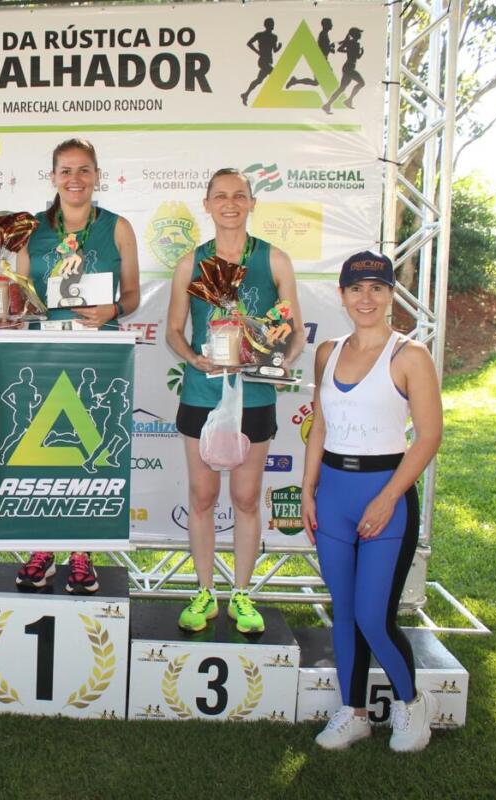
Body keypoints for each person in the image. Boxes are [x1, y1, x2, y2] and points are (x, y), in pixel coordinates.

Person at [301, 251, 443, 751]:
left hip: (386, 494)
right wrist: (308, 490)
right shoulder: (327, 352)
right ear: (342, 295)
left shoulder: (410, 355)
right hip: (334, 494)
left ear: (390, 295)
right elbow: (320, 425)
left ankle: (411, 706)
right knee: (343, 612)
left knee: (373, 617)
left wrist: (388, 498)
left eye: (377, 288)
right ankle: (354, 711)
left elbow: (428, 436)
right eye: (356, 289)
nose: (366, 298)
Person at [165, 168, 305, 634]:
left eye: (239, 196)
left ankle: (242, 594)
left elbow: (295, 332)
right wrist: (193, 358)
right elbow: (174, 331)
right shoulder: (191, 262)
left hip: (255, 395)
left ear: (251, 203)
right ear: (207, 204)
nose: (230, 203)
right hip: (202, 392)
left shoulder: (274, 259)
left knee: (246, 498)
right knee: (203, 496)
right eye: (221, 196)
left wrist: (279, 363)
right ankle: (205, 591)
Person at [12, 138, 140, 595]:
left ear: (97, 176)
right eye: (66, 170)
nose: (75, 179)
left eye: (84, 170)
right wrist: (8, 307)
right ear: (52, 177)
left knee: (91, 450)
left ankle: (84, 550)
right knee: (44, 450)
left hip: (98, 354)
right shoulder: (30, 230)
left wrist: (113, 311)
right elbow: (20, 293)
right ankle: (43, 547)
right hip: (42, 354)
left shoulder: (118, 227)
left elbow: (132, 295)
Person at [321, 28, 366, 114]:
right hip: (349, 68)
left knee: (342, 88)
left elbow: (342, 50)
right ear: (355, 35)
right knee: (361, 83)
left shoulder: (351, 43)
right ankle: (349, 100)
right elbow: (356, 56)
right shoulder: (355, 44)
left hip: (348, 67)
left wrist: (350, 51)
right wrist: (359, 52)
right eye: (359, 33)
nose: (360, 35)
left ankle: (327, 105)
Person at [241, 18, 282, 106]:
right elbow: (249, 43)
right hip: (263, 61)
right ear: (268, 25)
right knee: (276, 75)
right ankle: (272, 96)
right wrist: (258, 52)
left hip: (268, 61)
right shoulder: (260, 35)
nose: (273, 25)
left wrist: (279, 47)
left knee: (259, 80)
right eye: (271, 24)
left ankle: (246, 94)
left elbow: (274, 50)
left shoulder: (274, 37)